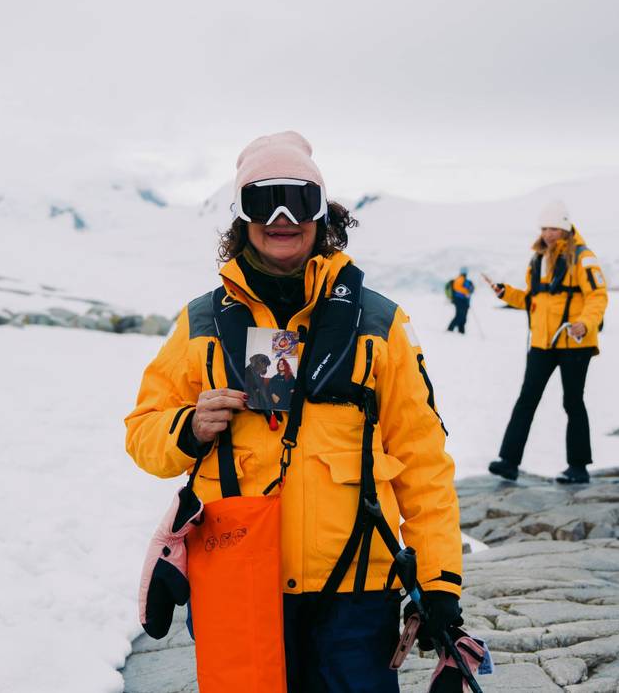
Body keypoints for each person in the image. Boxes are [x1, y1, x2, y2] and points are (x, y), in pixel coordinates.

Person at [125, 131, 463, 692]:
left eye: (300, 199)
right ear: (240, 216)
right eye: (263, 200)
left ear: (323, 212)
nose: (282, 217)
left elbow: (423, 460)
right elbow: (143, 435)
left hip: (356, 595)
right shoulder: (201, 325)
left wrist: (440, 583)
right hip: (238, 586)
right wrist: (187, 428)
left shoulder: (379, 326)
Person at [487, 200, 608, 484]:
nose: (548, 233)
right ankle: (508, 462)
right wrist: (506, 293)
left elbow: (597, 296)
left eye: (554, 227)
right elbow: (534, 300)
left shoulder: (583, 257)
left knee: (573, 402)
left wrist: (585, 322)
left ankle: (578, 467)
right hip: (542, 344)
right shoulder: (537, 259)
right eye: (544, 228)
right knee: (526, 400)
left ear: (565, 228)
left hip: (574, 342)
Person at [446, 268, 475, 334]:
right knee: (459, 316)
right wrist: (467, 291)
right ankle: (450, 330)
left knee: (463, 317)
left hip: (464, 301)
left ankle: (461, 332)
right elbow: (457, 288)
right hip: (460, 300)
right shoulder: (460, 279)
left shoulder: (465, 280)